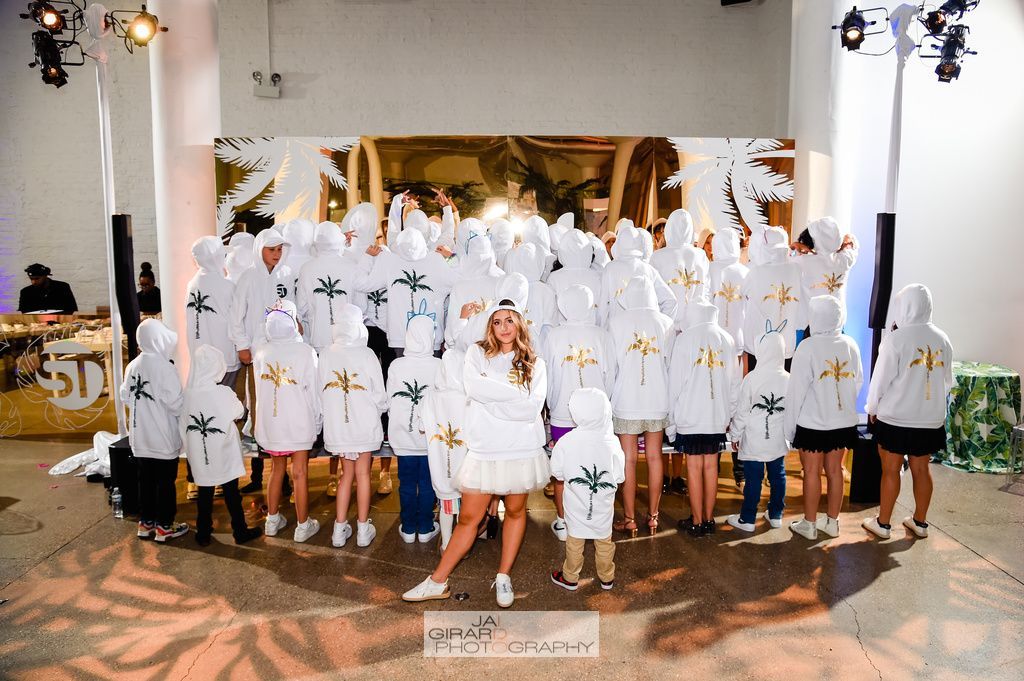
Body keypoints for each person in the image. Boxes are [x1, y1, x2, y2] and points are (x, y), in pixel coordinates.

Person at [402, 300, 549, 607]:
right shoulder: (475, 354)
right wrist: (514, 396)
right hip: (484, 449)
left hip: (520, 448)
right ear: (489, 326)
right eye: (497, 321)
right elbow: (475, 389)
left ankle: (504, 576)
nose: (504, 327)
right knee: (469, 517)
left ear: (520, 324)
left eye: (510, 320)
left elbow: (532, 409)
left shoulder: (535, 361)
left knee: (517, 512)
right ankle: (437, 581)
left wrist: (494, 398)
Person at [863, 284, 953, 539]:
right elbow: (947, 380)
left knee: (890, 470)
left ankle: (882, 524)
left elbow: (880, 379)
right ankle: (920, 522)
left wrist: (872, 407)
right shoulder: (942, 338)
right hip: (930, 419)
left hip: (897, 418)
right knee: (922, 469)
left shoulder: (897, 338)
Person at [785, 295, 863, 540]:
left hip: (813, 422)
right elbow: (857, 381)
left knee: (811, 472)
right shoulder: (850, 344)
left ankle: (808, 525)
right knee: (835, 471)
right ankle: (832, 522)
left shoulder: (807, 347)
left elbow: (795, 391)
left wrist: (789, 430)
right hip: (843, 421)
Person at [542, 284, 615, 541]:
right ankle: (595, 518)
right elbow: (611, 374)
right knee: (595, 466)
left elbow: (547, 376)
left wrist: (551, 405)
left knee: (562, 470)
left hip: (564, 411)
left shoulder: (553, 336)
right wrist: (605, 405)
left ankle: (563, 522)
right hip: (597, 415)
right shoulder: (602, 335)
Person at [607, 276, 674, 537]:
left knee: (629, 459)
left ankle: (630, 518)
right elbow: (669, 363)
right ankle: (654, 517)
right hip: (657, 398)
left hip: (627, 399)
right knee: (656, 457)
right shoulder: (665, 323)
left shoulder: (616, 323)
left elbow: (612, 367)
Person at [229, 228, 295, 493]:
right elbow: (236, 316)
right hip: (257, 354)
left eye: (280, 249)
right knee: (259, 409)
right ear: (260, 250)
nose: (277, 255)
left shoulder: (286, 276)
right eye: (272, 249)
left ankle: (283, 473)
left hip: (283, 353)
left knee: (282, 408)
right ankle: (262, 475)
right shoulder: (248, 278)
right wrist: (242, 345)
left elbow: (292, 307)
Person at [668, 301, 740, 536]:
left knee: (694, 467)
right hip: (716, 415)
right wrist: (729, 414)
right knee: (711, 467)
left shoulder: (685, 339)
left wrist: (671, 421)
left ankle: (697, 521)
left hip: (690, 415)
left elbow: (675, 385)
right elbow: (734, 384)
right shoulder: (727, 339)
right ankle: (709, 520)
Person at [180, 344, 263, 546]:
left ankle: (203, 533)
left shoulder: (186, 394)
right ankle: (240, 531)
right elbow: (239, 412)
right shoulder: (223, 392)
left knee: (205, 492)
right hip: (223, 451)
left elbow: (182, 423)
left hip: (200, 452)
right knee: (231, 493)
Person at [253, 300, 321, 543]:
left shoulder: (261, 351)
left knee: (276, 469)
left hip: (271, 423)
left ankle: (272, 520)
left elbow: (258, 391)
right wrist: (318, 419)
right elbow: (313, 391)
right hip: (298, 420)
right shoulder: (305, 352)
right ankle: (303, 526)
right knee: (300, 472)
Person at [319, 304, 386, 548]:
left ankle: (338, 529)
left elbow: (320, 391)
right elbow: (379, 394)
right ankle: (362, 529)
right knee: (363, 475)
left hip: (339, 426)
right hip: (364, 423)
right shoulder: (366, 354)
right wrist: (378, 411)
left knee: (345, 475)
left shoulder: (326, 353)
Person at [549, 388, 626, 592]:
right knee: (604, 542)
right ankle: (607, 578)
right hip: (603, 506)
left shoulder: (567, 441)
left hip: (576, 505)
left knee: (574, 541)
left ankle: (570, 577)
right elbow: (619, 475)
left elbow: (556, 471)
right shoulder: (611, 442)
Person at [120, 319, 187, 542]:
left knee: (145, 480)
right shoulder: (165, 367)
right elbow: (176, 404)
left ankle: (146, 523)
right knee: (165, 482)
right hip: (162, 436)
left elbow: (125, 397)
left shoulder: (133, 365)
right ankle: (165, 527)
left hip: (140, 436)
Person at [354, 228, 459, 356]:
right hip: (431, 335)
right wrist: (451, 257)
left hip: (400, 338)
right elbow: (461, 281)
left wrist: (368, 257)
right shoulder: (437, 261)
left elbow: (360, 284)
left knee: (402, 374)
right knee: (433, 374)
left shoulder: (389, 262)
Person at [727, 332, 790, 533]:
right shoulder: (789, 378)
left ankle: (747, 519)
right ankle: (776, 514)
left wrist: (735, 435)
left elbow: (742, 412)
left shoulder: (752, 378)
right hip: (777, 440)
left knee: (753, 479)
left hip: (754, 440)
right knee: (778, 475)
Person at [387, 315, 442, 543]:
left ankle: (409, 528)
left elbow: (390, 400)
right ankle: (427, 527)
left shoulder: (397, 365)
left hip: (403, 437)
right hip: (429, 438)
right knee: (429, 483)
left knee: (407, 483)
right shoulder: (439, 365)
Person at [420, 342, 470, 552]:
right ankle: (464, 543)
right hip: (465, 463)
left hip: (440, 460)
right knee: (467, 507)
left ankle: (447, 543)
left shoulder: (430, 396)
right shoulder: (468, 397)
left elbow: (423, 427)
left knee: (446, 504)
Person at [741, 227, 801, 371]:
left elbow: (744, 292)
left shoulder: (755, 272)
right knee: (784, 384)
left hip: (760, 342)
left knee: (758, 385)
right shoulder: (797, 269)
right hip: (786, 341)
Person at [791, 217, 858, 338]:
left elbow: (781, 259)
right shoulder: (844, 260)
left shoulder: (801, 262)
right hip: (836, 326)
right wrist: (845, 242)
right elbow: (853, 247)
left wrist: (795, 247)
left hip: (807, 327)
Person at [598, 220, 676, 325]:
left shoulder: (610, 269)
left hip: (617, 334)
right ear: (638, 243)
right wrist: (661, 326)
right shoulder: (648, 270)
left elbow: (603, 306)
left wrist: (603, 332)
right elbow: (671, 301)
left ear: (619, 243)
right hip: (645, 333)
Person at [503, 243, 557, 345]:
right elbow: (550, 326)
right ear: (539, 262)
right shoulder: (546, 291)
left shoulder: (510, 285)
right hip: (539, 347)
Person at [547, 229, 602, 323]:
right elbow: (602, 308)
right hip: (592, 332)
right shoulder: (597, 276)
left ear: (562, 250)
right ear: (587, 249)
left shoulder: (554, 278)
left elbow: (551, 311)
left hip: (562, 333)